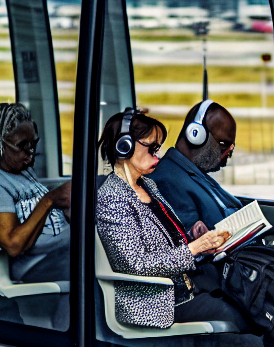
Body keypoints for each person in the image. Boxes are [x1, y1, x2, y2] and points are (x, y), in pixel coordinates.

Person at [94, 108, 243, 332]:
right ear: (124, 146)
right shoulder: (112, 198)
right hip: (155, 303)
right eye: (152, 149)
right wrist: (194, 249)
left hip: (182, 286)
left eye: (158, 149)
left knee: (244, 297)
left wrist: (194, 236)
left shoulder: (148, 185)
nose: (158, 156)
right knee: (232, 312)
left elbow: (168, 239)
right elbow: (136, 265)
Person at [0, 102, 71, 285]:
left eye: (33, 144)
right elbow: (13, 245)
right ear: (0, 143)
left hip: (59, 251)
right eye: (22, 146)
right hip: (35, 265)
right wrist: (49, 200)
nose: (31, 153)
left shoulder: (23, 170)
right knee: (92, 262)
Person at [148, 99, 244, 237]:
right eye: (223, 143)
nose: (229, 151)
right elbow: (193, 247)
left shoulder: (192, 173)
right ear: (196, 135)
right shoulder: (169, 180)